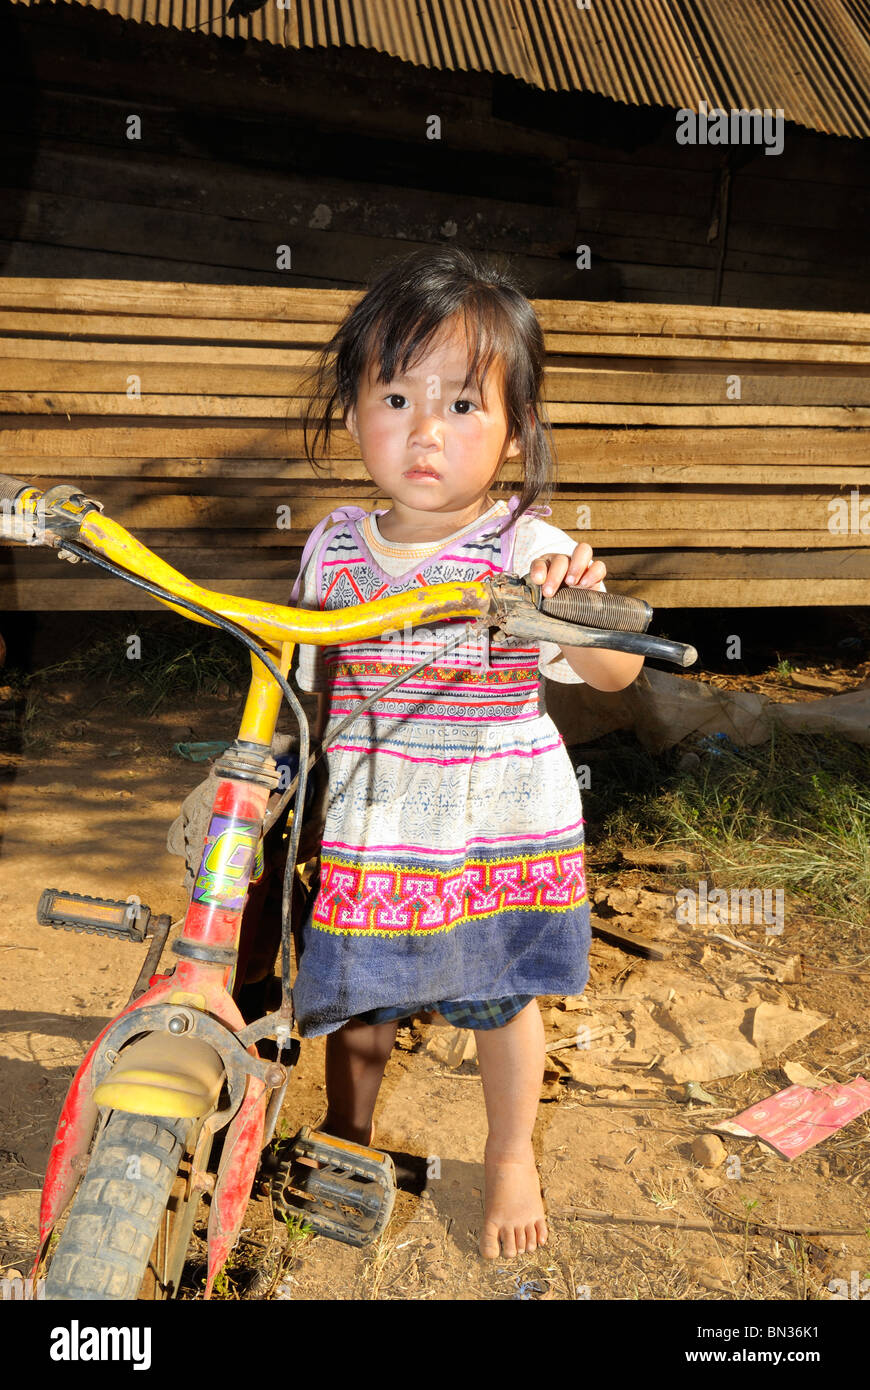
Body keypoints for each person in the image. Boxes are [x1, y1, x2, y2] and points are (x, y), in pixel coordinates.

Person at [288, 246, 644, 1260]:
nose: (425, 430)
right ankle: (346, 1135)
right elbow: (308, 664)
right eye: (396, 395)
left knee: (497, 999)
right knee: (359, 1000)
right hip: (377, 819)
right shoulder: (330, 542)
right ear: (353, 412)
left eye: (462, 405)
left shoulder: (524, 548)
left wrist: (576, 612)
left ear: (516, 431)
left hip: (490, 825)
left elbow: (616, 678)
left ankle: (512, 1152)